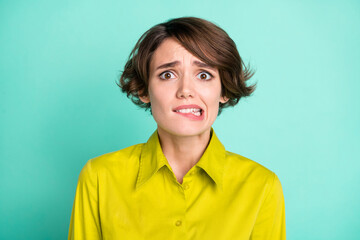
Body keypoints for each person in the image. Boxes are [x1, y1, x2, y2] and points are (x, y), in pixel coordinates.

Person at [68, 17, 286, 240]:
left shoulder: (262, 186)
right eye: (167, 75)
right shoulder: (99, 178)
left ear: (224, 90)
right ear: (144, 91)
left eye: (204, 75)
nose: (185, 90)